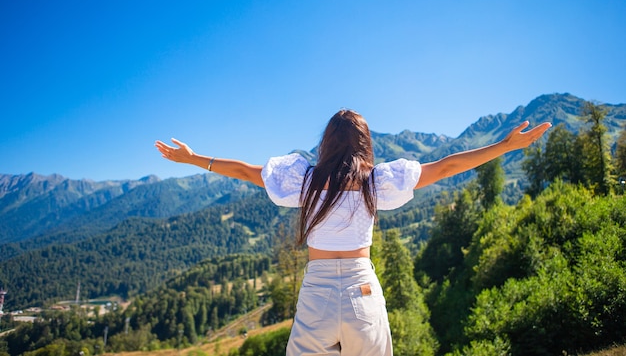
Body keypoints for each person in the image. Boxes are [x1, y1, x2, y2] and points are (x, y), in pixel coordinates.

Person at [155, 110, 551, 356]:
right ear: (365, 144)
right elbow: (446, 167)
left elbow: (243, 171)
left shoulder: (304, 181)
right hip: (363, 289)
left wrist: (194, 159)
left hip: (317, 294)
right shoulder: (377, 181)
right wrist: (504, 146)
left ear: (326, 143)